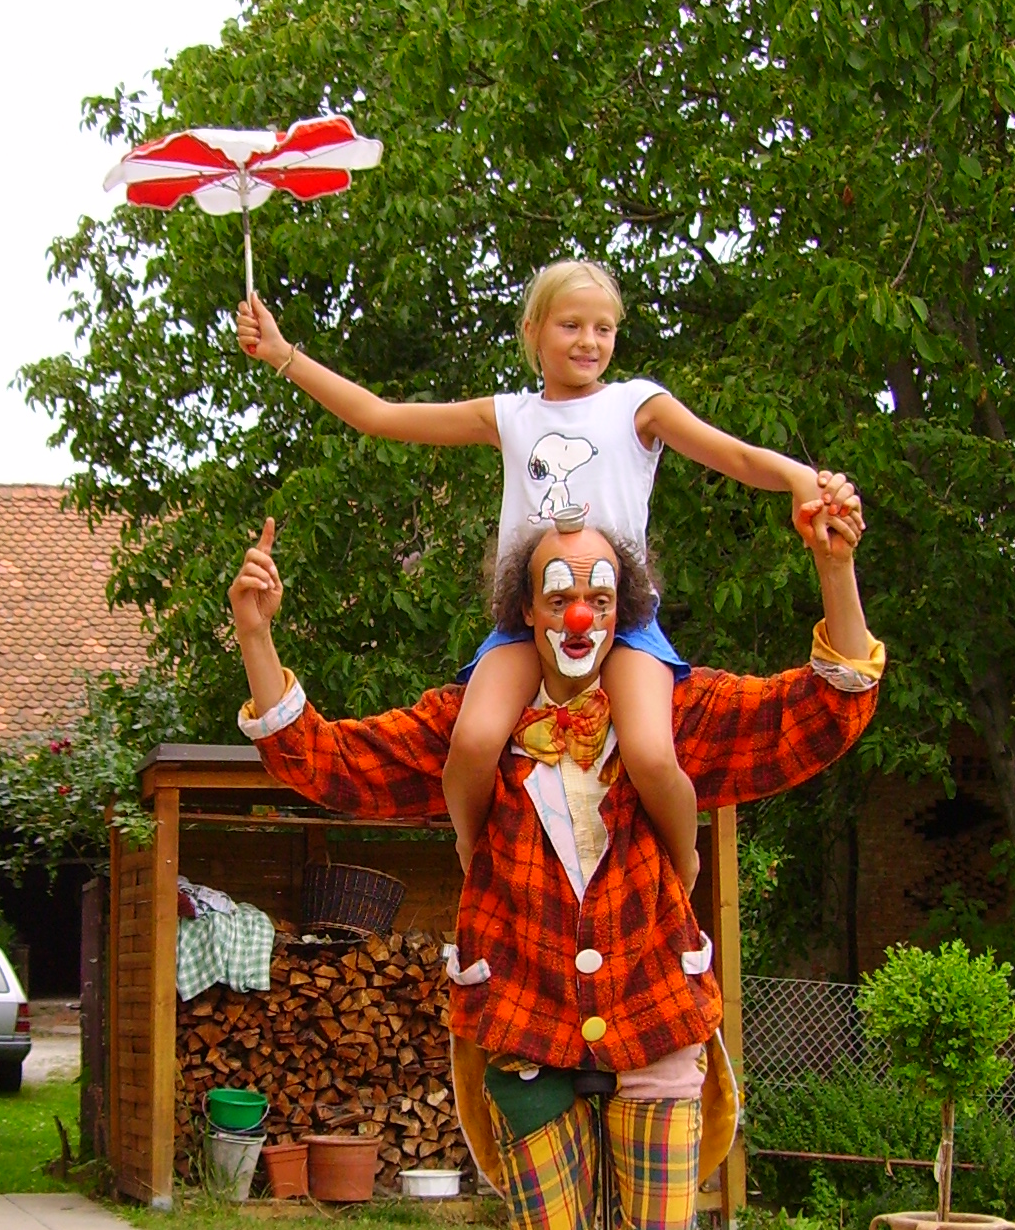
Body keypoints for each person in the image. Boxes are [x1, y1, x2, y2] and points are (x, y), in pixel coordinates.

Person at [228, 491, 880, 1230]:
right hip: (524, 1026)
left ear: (623, 612)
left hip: (655, 1025)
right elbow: (330, 763)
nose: (579, 613)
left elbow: (816, 719)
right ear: (524, 613)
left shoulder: (672, 712)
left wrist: (834, 571)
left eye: (600, 595)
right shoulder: (470, 727)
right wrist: (257, 637)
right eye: (557, 593)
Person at [237, 258, 854, 889]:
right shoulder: (512, 416)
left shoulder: (637, 405)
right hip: (529, 621)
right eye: (571, 325)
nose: (589, 342)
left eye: (604, 329)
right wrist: (285, 356)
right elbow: (380, 415)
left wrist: (799, 478)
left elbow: (735, 454)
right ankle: (476, 856)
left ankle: (684, 865)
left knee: (649, 751)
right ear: (533, 330)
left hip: (622, 622)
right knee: (472, 743)